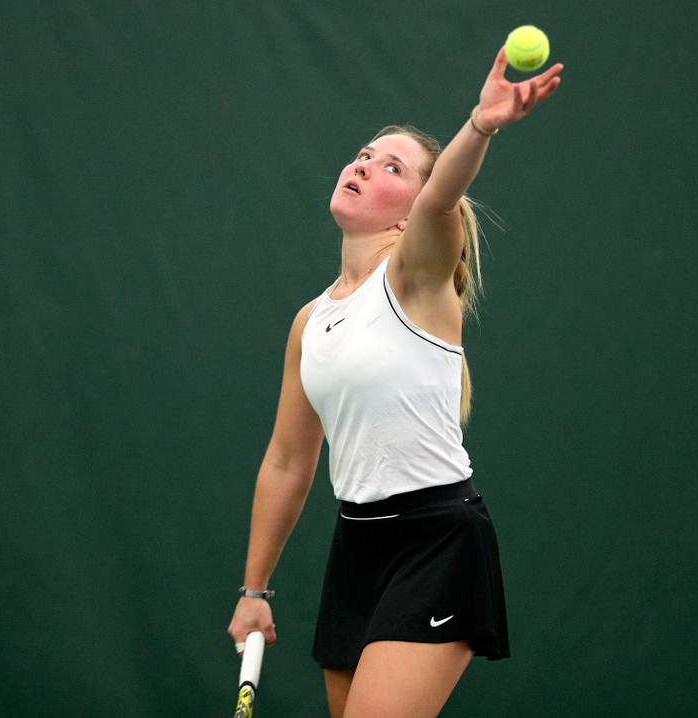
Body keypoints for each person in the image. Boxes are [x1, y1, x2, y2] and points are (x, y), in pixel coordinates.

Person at [228, 46, 562, 718]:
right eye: (364, 154)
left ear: (412, 213)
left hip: (438, 543)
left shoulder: (416, 276)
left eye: (392, 167)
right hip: (357, 549)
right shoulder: (310, 321)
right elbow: (289, 462)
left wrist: (482, 125)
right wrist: (254, 591)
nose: (363, 165)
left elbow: (445, 197)